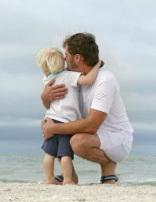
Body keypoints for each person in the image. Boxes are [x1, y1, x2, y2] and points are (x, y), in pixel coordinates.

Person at [41, 33, 133, 184]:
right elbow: (54, 108)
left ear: (77, 58)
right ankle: (70, 175)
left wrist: (53, 129)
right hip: (90, 132)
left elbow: (91, 125)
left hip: (116, 138)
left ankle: (108, 168)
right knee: (48, 122)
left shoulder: (104, 80)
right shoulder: (71, 76)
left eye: (66, 54)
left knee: (76, 141)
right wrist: (45, 97)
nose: (64, 59)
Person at [36, 47, 102, 185]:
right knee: (65, 155)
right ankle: (68, 180)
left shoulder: (47, 79)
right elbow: (88, 80)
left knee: (49, 154)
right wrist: (97, 65)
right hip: (65, 122)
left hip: (50, 119)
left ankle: (50, 179)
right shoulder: (68, 76)